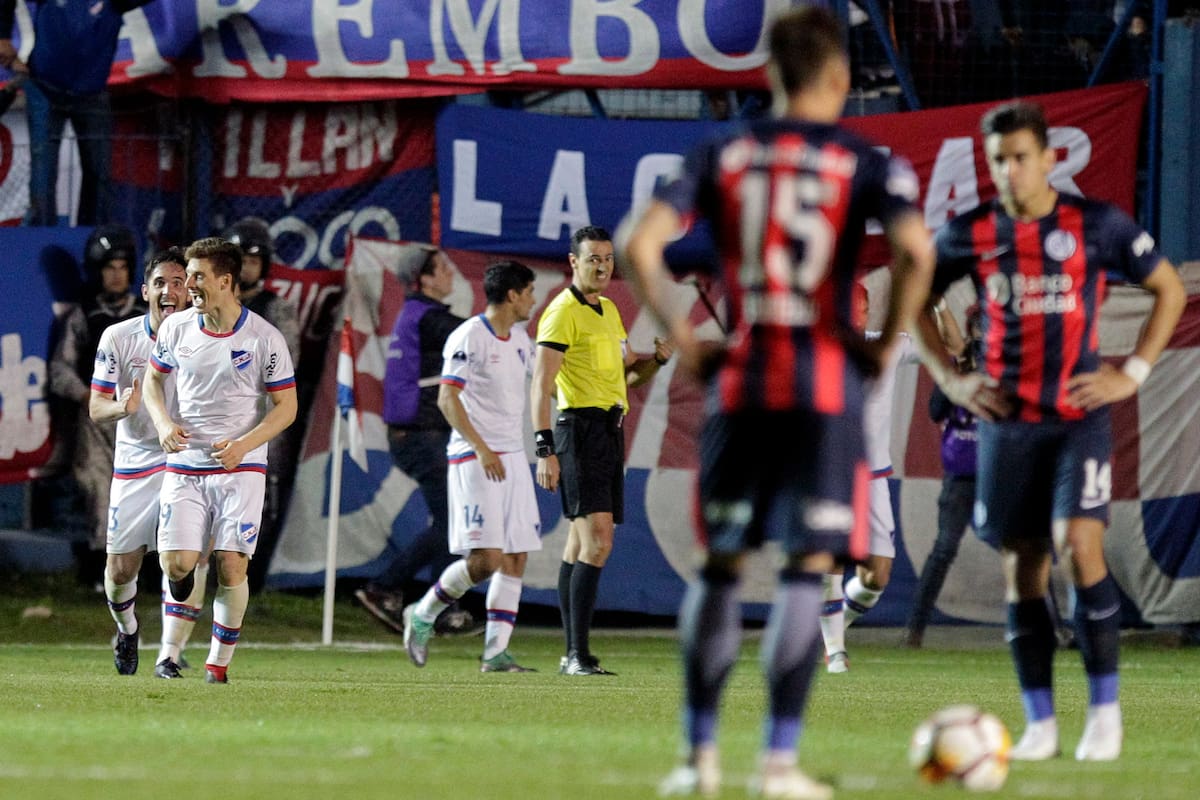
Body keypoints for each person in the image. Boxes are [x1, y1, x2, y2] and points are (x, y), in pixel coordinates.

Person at [622, 7, 933, 797]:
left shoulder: (721, 151)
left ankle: (697, 761)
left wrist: (689, 345)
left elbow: (639, 243)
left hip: (742, 376)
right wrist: (883, 340)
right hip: (821, 382)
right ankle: (778, 764)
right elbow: (914, 252)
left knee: (721, 573)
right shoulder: (867, 160)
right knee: (805, 572)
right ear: (836, 77)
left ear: (768, 77)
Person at [910, 100, 1185, 762]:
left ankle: (1104, 715)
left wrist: (1135, 372)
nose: (1009, 170)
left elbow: (1169, 288)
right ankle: (1040, 725)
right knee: (1023, 565)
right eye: (998, 160)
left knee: (1078, 542)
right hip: (1008, 427)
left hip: (1076, 418)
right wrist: (952, 381)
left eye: (1020, 158)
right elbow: (914, 299)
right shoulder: (969, 233)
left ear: (1049, 159)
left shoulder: (1095, 225)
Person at [143, 237, 297, 684]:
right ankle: (181, 589)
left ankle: (217, 664)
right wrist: (163, 424)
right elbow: (153, 382)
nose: (185, 285)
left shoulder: (264, 338)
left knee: (232, 564)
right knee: (176, 564)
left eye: (196, 276)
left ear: (225, 281)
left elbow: (286, 407)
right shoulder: (176, 329)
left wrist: (245, 445)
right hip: (186, 465)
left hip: (239, 467)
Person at [532, 225, 672, 677]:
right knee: (598, 542)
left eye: (608, 258)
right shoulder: (560, 313)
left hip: (610, 429)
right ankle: (576, 654)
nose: (602, 266)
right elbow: (541, 386)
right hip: (579, 431)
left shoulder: (609, 309)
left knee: (579, 545)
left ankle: (574, 653)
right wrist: (544, 448)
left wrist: (656, 361)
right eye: (593, 258)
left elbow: (628, 377)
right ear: (573, 262)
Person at [402, 260, 541, 673]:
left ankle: (495, 653)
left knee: (516, 557)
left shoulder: (519, 338)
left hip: (512, 457)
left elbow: (544, 380)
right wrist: (481, 448)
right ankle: (423, 613)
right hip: (475, 457)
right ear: (513, 295)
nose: (533, 299)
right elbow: (448, 398)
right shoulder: (469, 335)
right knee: (486, 560)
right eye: (530, 292)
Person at [89, 247, 206, 677]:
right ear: (146, 291)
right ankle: (128, 628)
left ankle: (169, 656)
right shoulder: (118, 338)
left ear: (192, 288)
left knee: (188, 559)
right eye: (160, 283)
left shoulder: (205, 335)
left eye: (179, 282)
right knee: (119, 571)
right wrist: (122, 406)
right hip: (136, 465)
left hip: (187, 460)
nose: (170, 291)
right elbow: (96, 407)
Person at [355, 245, 477, 636]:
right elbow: (478, 336)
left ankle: (416, 598)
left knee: (450, 521)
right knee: (451, 522)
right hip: (422, 436)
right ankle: (402, 593)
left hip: (418, 435)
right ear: (423, 279)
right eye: (441, 268)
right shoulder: (429, 319)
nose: (449, 274)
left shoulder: (415, 316)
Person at [820, 283, 916, 673]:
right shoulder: (815, 351)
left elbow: (941, 349)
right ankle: (834, 651)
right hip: (828, 471)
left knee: (877, 574)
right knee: (830, 559)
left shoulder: (889, 346)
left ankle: (833, 626)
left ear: (866, 310)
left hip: (873, 475)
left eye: (855, 307)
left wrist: (938, 306)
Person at [0, 0, 158, 225]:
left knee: (99, 174)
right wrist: (2, 36)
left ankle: (92, 240)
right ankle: (42, 238)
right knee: (43, 175)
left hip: (91, 93)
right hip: (45, 89)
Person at [49, 225, 146, 588]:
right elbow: (60, 369)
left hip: (144, 416)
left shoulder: (147, 314)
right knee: (99, 489)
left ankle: (149, 570)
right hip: (99, 415)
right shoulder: (83, 315)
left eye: (123, 266)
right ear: (97, 270)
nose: (117, 274)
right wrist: (88, 396)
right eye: (109, 267)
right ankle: (100, 570)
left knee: (149, 489)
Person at [223, 217, 302, 593]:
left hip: (264, 417)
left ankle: (257, 576)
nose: (248, 267)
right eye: (242, 259)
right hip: (218, 417)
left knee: (263, 498)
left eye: (255, 260)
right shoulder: (216, 307)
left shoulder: (276, 309)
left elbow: (287, 364)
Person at [904, 302, 979, 648]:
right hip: (963, 471)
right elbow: (936, 409)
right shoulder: (959, 368)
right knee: (944, 548)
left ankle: (1048, 631)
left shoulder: (1008, 365)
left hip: (1000, 470)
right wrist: (957, 378)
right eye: (979, 328)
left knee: (1025, 547)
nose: (985, 335)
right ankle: (914, 630)